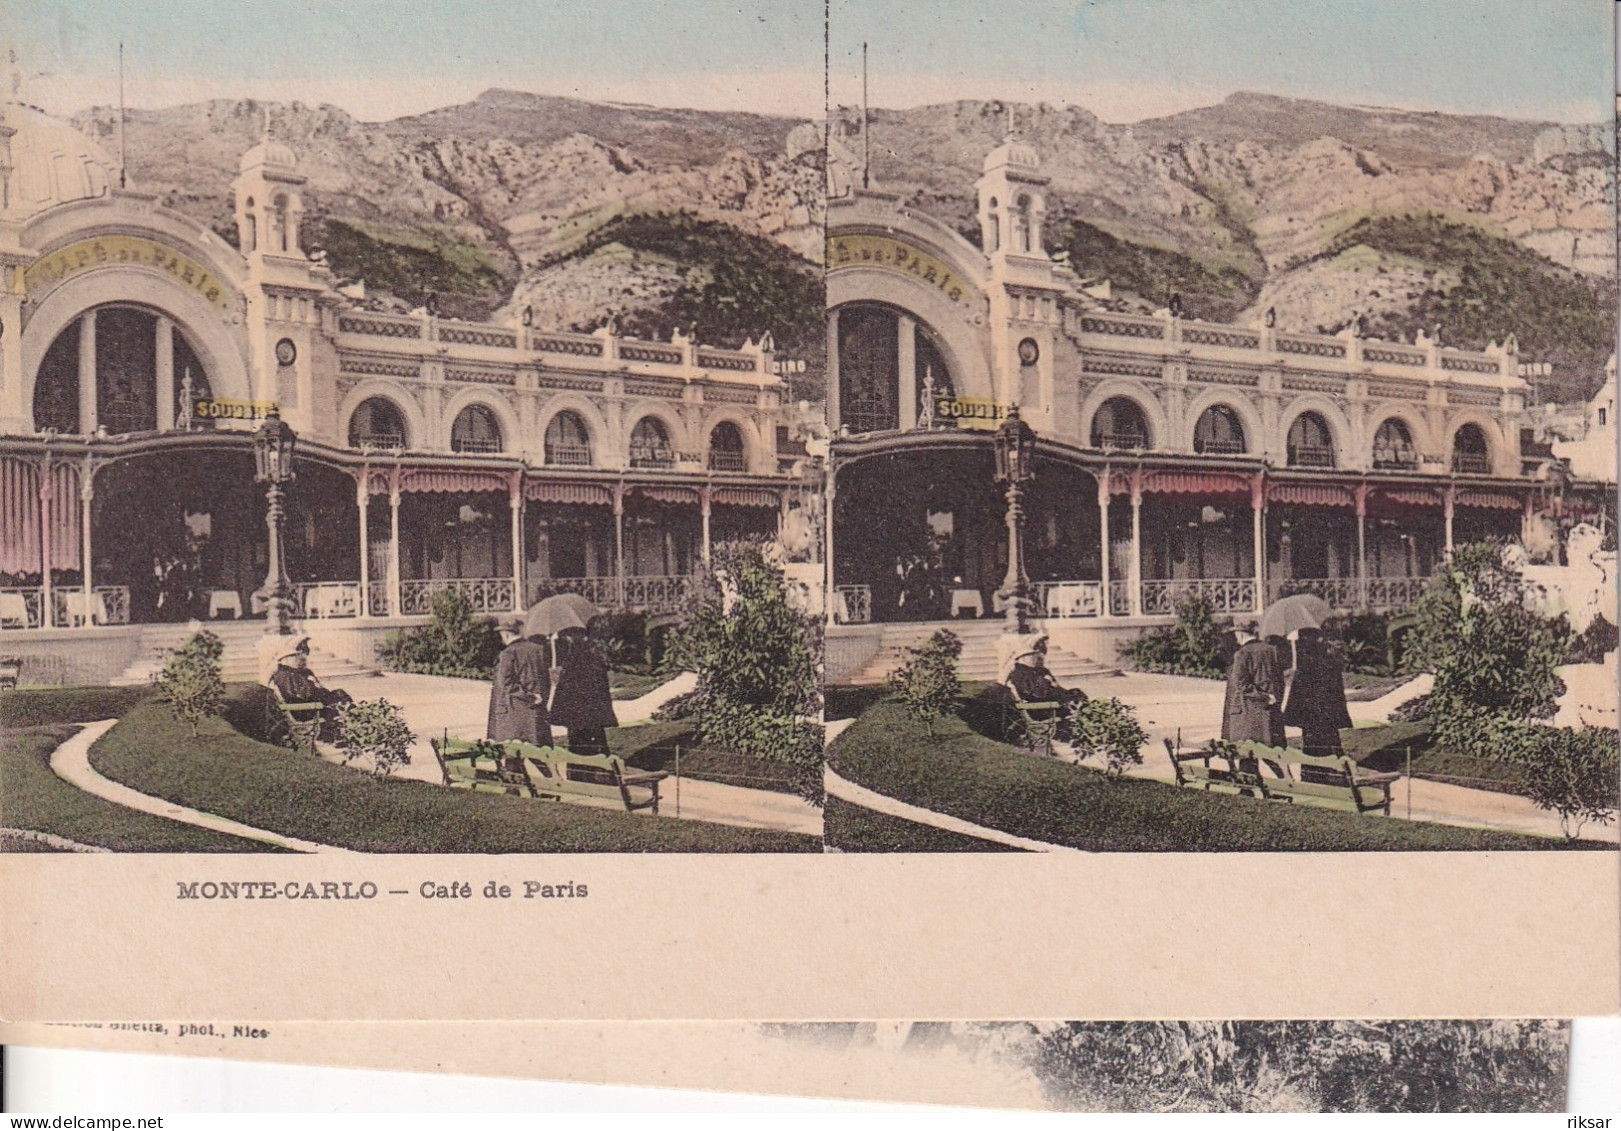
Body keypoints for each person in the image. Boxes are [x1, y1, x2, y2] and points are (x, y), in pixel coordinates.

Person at [1283, 625, 1352, 758]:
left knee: (1312, 749)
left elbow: (1297, 695)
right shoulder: (1331, 662)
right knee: (1332, 745)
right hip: (1328, 715)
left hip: (1310, 717)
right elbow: (1338, 693)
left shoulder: (1305, 665)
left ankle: (1314, 776)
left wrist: (1293, 716)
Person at [269, 637, 355, 741]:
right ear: (287, 659)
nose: (301, 660)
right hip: (304, 709)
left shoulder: (289, 673)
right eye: (298, 657)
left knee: (339, 696)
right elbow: (303, 694)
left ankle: (350, 729)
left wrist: (316, 685)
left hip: (306, 705)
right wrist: (313, 684)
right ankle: (350, 731)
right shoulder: (286, 675)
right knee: (340, 698)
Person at [549, 625, 617, 756]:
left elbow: (567, 688)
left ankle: (581, 773)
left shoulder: (573, 657)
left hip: (577, 711)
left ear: (570, 637)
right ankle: (606, 771)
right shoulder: (594, 654)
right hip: (593, 710)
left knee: (578, 746)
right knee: (598, 742)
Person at [1005, 636, 1087, 741]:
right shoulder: (1021, 674)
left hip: (1049, 702)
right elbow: (1036, 694)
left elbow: (1053, 688)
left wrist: (1054, 684)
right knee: (1076, 703)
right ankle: (1082, 728)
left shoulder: (1035, 670)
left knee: (1077, 694)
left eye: (1034, 656)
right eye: (1032, 656)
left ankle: (1082, 726)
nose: (1035, 659)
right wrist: (1046, 682)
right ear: (1023, 658)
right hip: (1041, 708)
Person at [486, 626, 552, 748]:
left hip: (512, 716)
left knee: (513, 757)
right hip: (536, 715)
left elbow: (505, 682)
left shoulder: (508, 653)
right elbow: (546, 681)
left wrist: (529, 697)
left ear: (505, 635)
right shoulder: (538, 649)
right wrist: (540, 700)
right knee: (541, 756)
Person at [1222, 624, 1284, 745]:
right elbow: (1280, 680)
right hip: (1271, 713)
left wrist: (1264, 697)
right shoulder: (1272, 650)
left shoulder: (1242, 653)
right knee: (1275, 755)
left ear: (1240, 634)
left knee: (1248, 758)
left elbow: (1242, 685)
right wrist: (1275, 699)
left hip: (1248, 715)